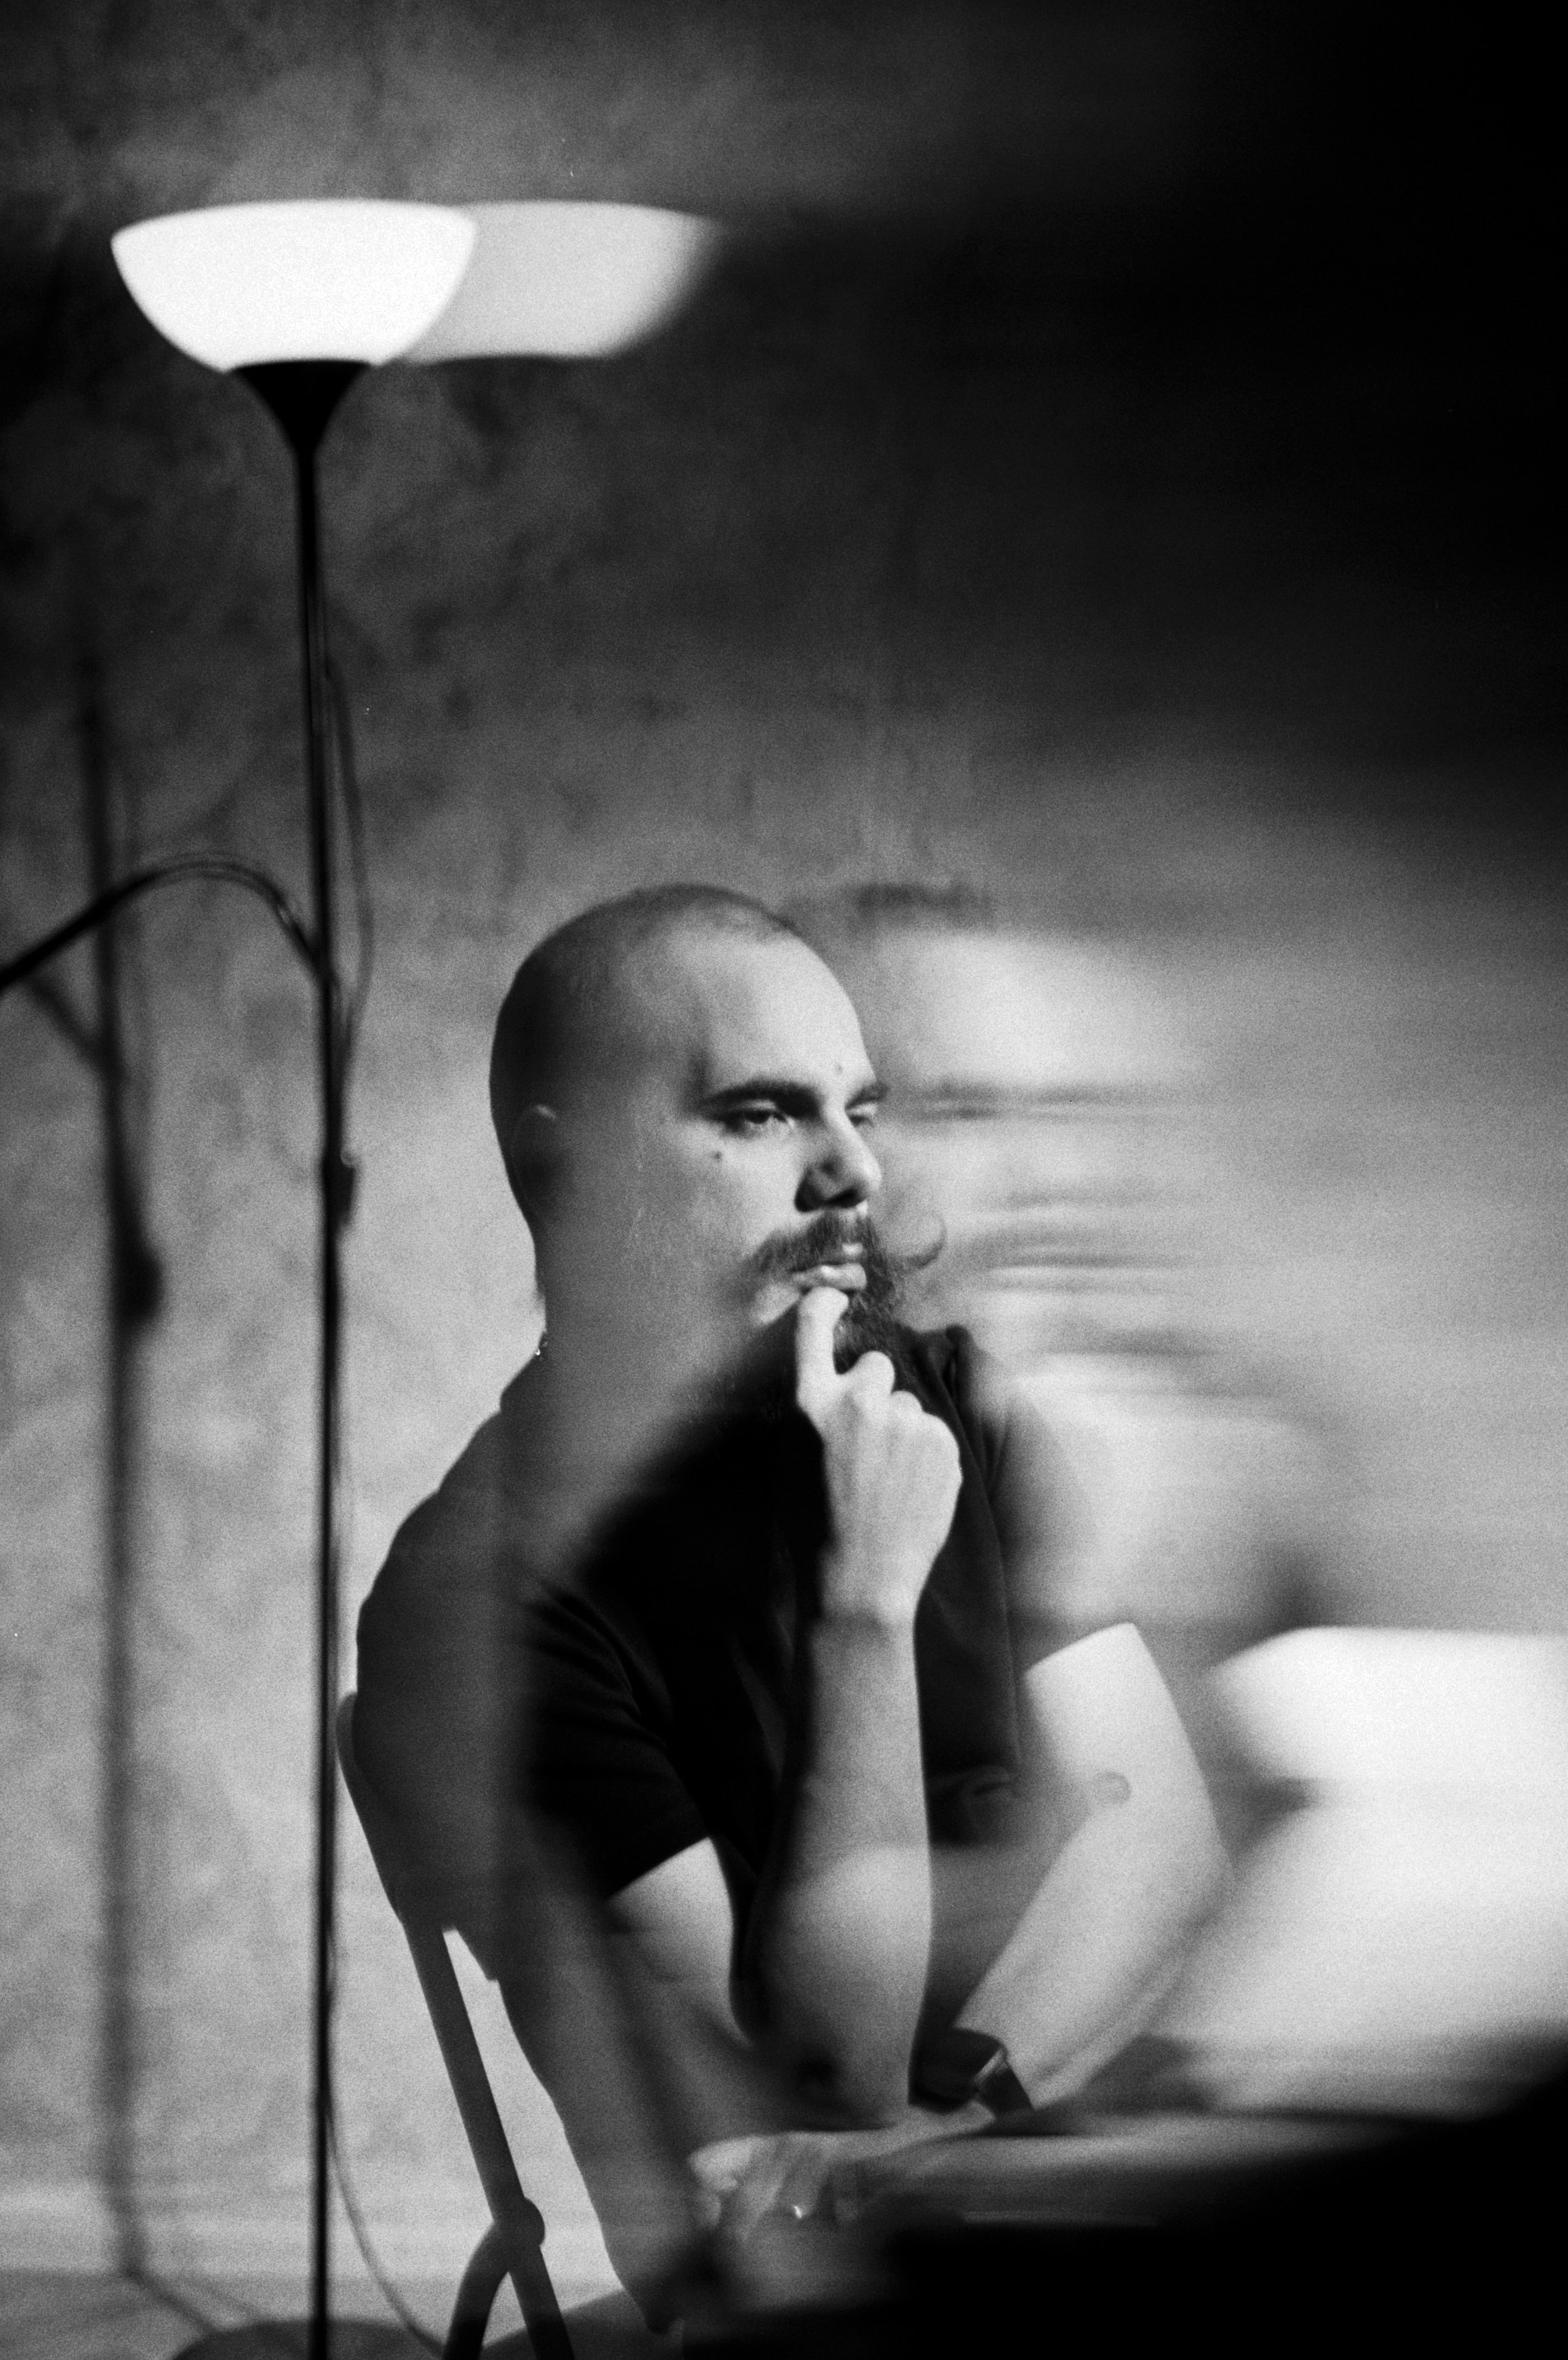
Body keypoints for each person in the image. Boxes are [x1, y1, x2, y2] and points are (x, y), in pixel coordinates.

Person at [354, 884, 1228, 2298]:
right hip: (792, 2303)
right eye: (760, 1113)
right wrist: (864, 1612)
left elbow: (1156, 1842)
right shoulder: (477, 1608)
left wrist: (967, 2115)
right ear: (559, 1165)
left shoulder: (928, 1396)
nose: (850, 1174)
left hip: (1026, 2191)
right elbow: (822, 2076)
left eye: (859, 1110)